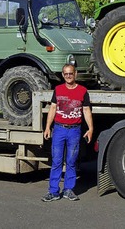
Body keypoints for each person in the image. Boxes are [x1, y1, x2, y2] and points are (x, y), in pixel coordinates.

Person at [41, 64, 93, 202]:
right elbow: (52, 109)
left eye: (71, 73)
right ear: (63, 75)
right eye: (66, 74)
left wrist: (91, 128)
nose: (68, 76)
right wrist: (47, 127)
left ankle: (68, 190)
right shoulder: (58, 90)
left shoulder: (82, 91)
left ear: (75, 74)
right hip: (59, 129)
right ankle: (53, 191)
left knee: (71, 161)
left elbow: (86, 110)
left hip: (74, 131)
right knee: (57, 161)